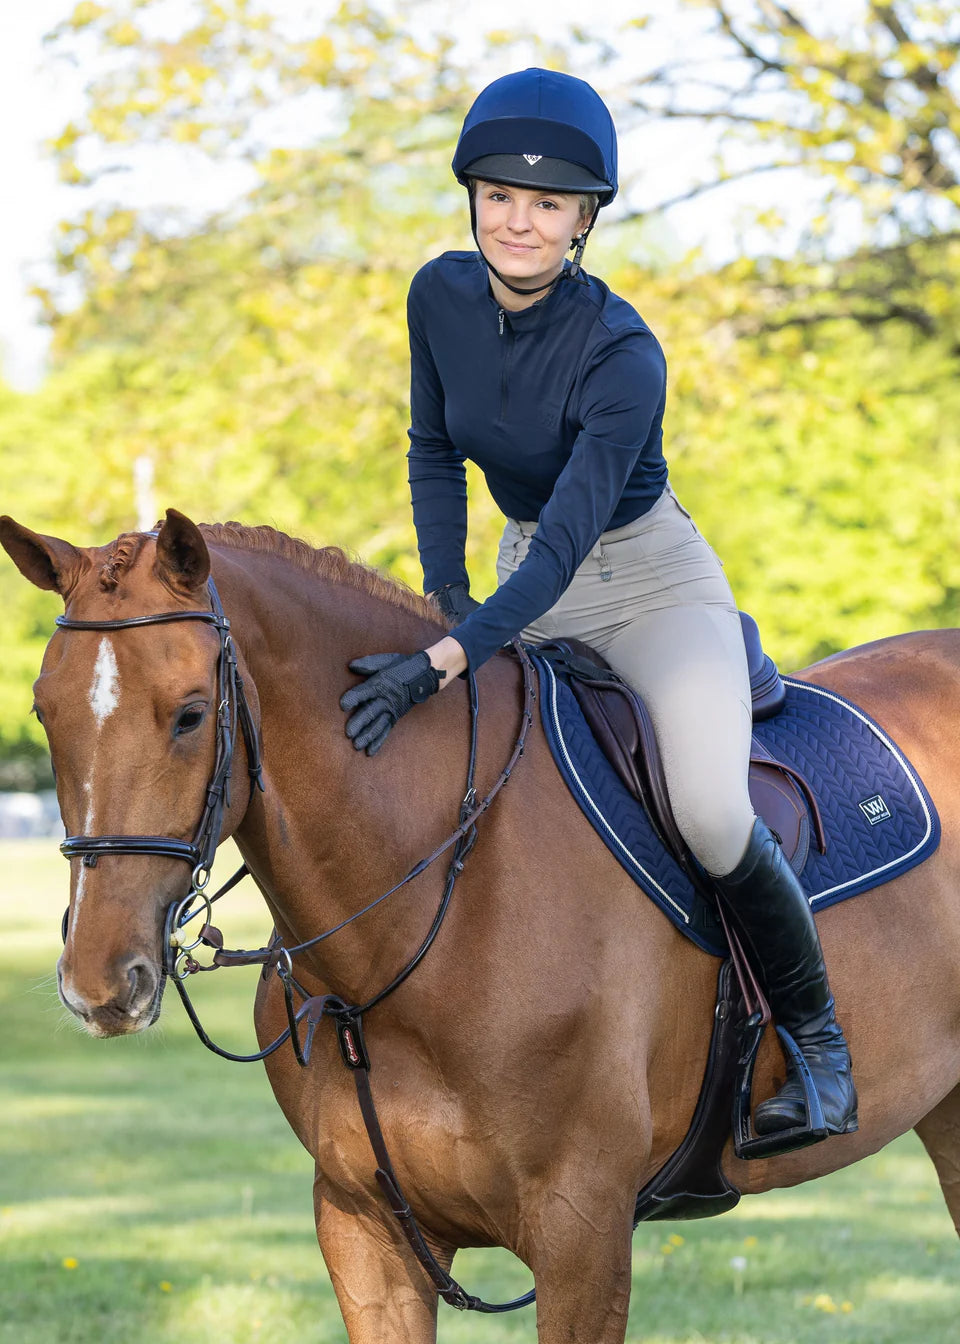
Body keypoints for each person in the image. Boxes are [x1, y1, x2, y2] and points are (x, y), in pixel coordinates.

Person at [340, 68, 857, 1150]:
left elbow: (575, 541)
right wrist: (448, 598)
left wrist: (445, 657)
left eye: (548, 204)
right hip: (523, 566)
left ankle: (817, 1046)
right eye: (499, 195)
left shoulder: (625, 352)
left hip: (648, 579)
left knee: (711, 812)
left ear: (584, 222)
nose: (518, 220)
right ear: (472, 198)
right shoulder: (437, 296)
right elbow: (433, 448)